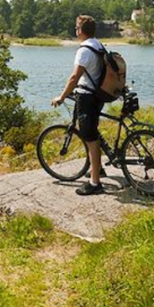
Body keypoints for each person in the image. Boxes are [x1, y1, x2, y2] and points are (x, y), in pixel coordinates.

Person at [51, 15, 106, 195]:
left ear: (81, 30)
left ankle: (95, 182)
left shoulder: (84, 50)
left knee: (90, 138)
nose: (75, 31)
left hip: (87, 98)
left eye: (76, 28)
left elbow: (74, 77)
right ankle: (98, 168)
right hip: (97, 95)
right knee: (91, 131)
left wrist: (61, 97)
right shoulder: (98, 44)